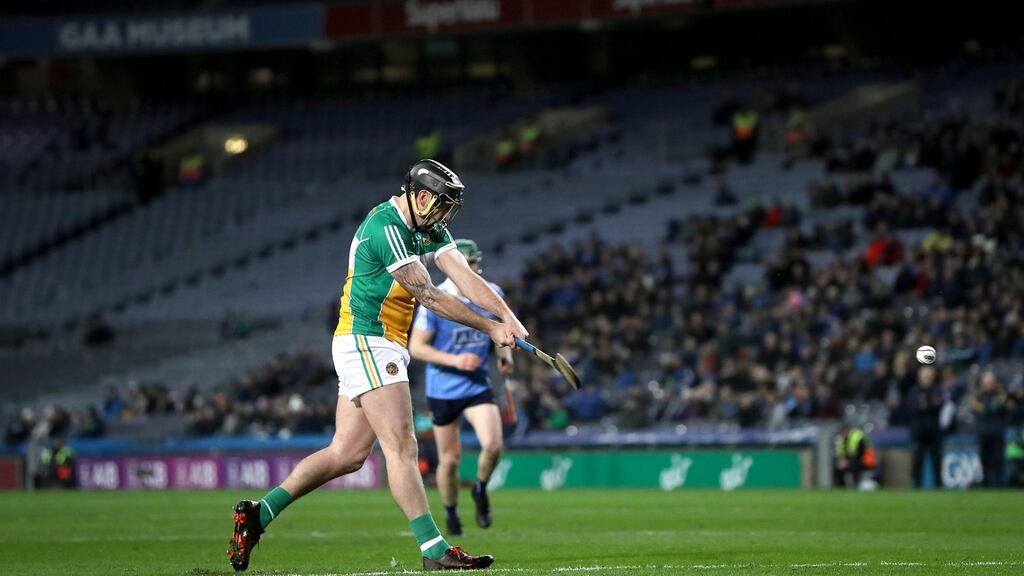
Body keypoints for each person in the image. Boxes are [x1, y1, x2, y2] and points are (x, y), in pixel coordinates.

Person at [226, 159, 528, 572]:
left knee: (346, 453)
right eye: (440, 206)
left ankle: (258, 514)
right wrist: (490, 326)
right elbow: (432, 297)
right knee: (402, 446)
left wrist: (508, 318)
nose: (444, 217)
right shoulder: (386, 228)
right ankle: (434, 550)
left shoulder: (427, 226)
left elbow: (463, 276)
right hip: (370, 340)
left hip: (372, 344)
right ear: (420, 196)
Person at [408, 239, 513, 537]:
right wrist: (454, 360)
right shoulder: (436, 299)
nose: (477, 271)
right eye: (472, 266)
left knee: (493, 446)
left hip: (477, 383)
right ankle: (452, 513)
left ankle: (480, 490)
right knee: (450, 460)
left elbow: (502, 332)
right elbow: (417, 347)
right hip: (443, 389)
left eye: (477, 265)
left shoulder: (493, 294)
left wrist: (504, 356)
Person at [970, 371, 1012, 487]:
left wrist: (994, 406)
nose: (989, 385)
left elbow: (1006, 408)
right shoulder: (979, 396)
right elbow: (982, 410)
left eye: (991, 382)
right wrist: (995, 406)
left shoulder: (1001, 395)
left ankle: (999, 484)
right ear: (983, 383)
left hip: (997, 432)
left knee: (998, 460)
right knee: (984, 459)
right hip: (983, 432)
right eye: (987, 382)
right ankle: (987, 483)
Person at [909, 365, 945, 488]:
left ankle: (938, 484)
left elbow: (938, 405)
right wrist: (929, 405)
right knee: (917, 460)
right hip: (918, 431)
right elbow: (912, 408)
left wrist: (925, 406)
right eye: (925, 376)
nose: (927, 378)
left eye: (929, 375)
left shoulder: (937, 390)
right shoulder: (914, 391)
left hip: (934, 431)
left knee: (936, 459)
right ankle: (916, 484)